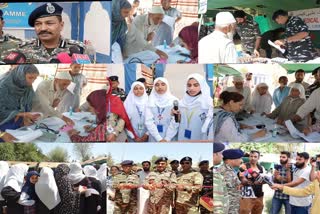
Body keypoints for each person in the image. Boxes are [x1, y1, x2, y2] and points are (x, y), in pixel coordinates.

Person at [13, 3, 90, 63]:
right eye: (38, 24)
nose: (43, 28)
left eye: (49, 23)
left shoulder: (78, 49)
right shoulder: (22, 48)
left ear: (61, 25)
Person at [0, 65, 40, 142]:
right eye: (30, 77)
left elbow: (27, 103)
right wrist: (1, 134)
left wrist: (25, 118)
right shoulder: (3, 87)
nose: (32, 81)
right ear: (20, 75)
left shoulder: (26, 86)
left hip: (16, 126)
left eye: (35, 78)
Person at [167, 73, 212, 141]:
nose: (191, 88)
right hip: (182, 138)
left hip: (199, 140)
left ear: (202, 86)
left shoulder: (208, 104)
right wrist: (167, 138)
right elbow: (175, 123)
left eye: (196, 85)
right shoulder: (181, 103)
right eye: (189, 85)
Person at [145, 77, 178, 142]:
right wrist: (158, 138)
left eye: (163, 84)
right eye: (157, 85)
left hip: (170, 137)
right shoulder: (150, 101)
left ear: (167, 86)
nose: (160, 87)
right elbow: (149, 121)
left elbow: (175, 121)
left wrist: (167, 138)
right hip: (154, 137)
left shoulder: (174, 101)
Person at [106, 77, 137, 142]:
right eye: (110, 84)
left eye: (114, 83)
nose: (112, 85)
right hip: (112, 115)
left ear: (118, 83)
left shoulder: (121, 91)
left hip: (121, 111)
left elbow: (125, 100)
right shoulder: (106, 93)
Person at [216, 149, 244, 214]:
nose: (241, 161)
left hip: (232, 207)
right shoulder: (224, 171)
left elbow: (233, 188)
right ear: (232, 159)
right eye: (239, 158)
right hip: (227, 208)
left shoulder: (230, 170)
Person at [213, 143, 229, 214]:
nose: (222, 156)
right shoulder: (215, 175)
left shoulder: (216, 172)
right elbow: (217, 204)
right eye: (221, 153)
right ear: (215, 154)